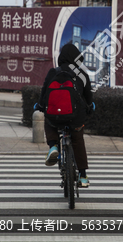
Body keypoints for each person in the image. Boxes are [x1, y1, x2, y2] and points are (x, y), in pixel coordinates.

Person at [37, 44, 94, 188]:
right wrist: (90, 107)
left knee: (49, 122)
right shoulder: (82, 74)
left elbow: (44, 95)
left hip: (55, 116)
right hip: (76, 117)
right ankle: (82, 176)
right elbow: (88, 98)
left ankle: (53, 146)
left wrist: (40, 106)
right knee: (78, 139)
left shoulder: (53, 72)